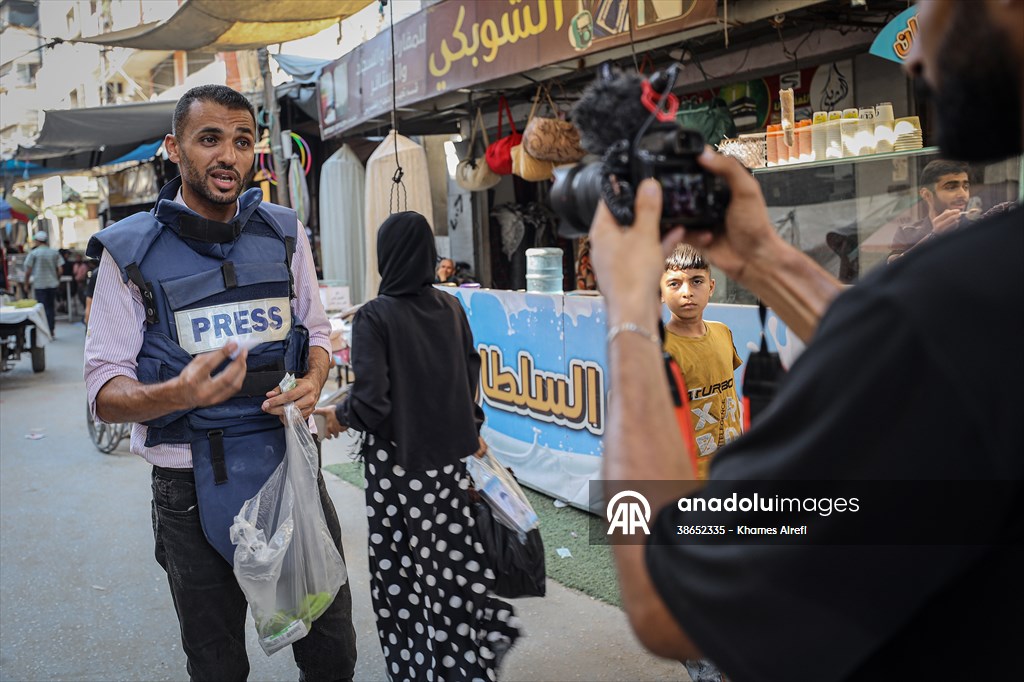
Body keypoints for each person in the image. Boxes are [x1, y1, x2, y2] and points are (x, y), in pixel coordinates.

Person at [587, 1, 1023, 680]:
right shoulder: (970, 311)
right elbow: (919, 368)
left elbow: (664, 593)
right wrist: (763, 257)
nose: (913, 55)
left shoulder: (965, 302)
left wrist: (627, 316)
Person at [84, 84, 357, 681]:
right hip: (187, 487)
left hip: (291, 470)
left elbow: (315, 332)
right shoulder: (128, 254)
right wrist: (180, 393)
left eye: (241, 141)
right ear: (174, 148)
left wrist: (313, 380)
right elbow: (104, 392)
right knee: (217, 665)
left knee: (332, 652)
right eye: (209, 139)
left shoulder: (285, 234)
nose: (228, 156)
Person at [316, 211, 521, 681]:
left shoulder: (374, 316)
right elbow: (467, 380)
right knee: (452, 575)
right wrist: (473, 430)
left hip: (398, 472)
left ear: (385, 257)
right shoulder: (451, 308)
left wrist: (338, 416)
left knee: (403, 583)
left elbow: (372, 402)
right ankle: (465, 667)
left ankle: (418, 671)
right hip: (449, 467)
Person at [660, 243, 743, 481]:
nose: (687, 292)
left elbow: (728, 391)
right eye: (674, 283)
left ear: (711, 286)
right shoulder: (660, 349)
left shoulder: (723, 332)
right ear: (660, 293)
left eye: (697, 281)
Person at [886, 158, 970, 263]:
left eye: (965, 187)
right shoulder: (907, 232)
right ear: (926, 195)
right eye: (951, 187)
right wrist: (934, 236)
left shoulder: (977, 228)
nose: (963, 194)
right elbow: (894, 267)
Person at [23, 230, 63, 337]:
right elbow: (60, 270)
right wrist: (57, 279)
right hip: (52, 284)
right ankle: (51, 330)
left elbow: (28, 271)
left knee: (41, 308)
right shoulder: (54, 252)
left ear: (38, 241)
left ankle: (44, 332)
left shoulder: (34, 253)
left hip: (40, 285)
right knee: (51, 307)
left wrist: (26, 284)